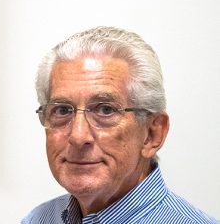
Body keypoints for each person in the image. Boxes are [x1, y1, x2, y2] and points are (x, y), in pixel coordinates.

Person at [22, 27, 218, 223]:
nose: (78, 136)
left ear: (152, 134)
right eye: (63, 110)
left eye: (105, 110)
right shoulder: (39, 219)